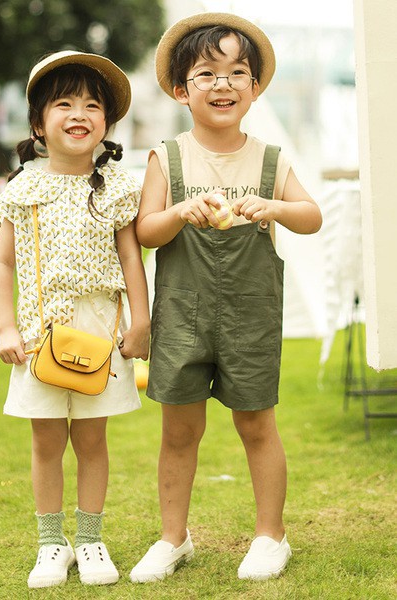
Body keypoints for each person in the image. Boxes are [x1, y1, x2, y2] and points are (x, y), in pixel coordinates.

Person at [130, 13, 322, 583]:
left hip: (250, 317)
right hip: (181, 317)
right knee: (178, 432)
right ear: (181, 90)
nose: (223, 84)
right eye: (207, 73)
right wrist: (178, 212)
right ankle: (173, 538)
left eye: (237, 72)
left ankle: (271, 536)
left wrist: (275, 207)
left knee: (257, 426)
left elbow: (311, 216)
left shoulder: (270, 159)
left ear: (254, 88)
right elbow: (145, 231)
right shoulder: (168, 157)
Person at [0, 50, 150, 589]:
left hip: (100, 331)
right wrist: (6, 327)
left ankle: (90, 540)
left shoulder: (118, 187)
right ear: (39, 124)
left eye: (91, 105)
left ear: (106, 123)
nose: (79, 113)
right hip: (39, 334)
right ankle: (50, 545)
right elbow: (2, 262)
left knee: (92, 439)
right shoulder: (23, 187)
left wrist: (141, 321)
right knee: (45, 441)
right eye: (64, 103)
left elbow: (131, 259)